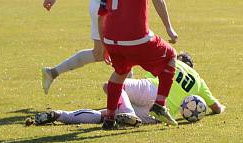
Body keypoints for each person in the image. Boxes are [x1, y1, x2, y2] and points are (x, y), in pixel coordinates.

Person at [99, 0, 180, 129]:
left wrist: (105, 45)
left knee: (120, 73)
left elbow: (101, 15)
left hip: (112, 39)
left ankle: (109, 118)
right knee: (171, 56)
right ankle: (160, 105)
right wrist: (169, 27)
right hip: (136, 38)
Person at [29, 52, 225, 126]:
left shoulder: (171, 61)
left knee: (111, 87)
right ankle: (58, 116)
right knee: (106, 115)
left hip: (150, 90)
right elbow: (216, 107)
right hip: (160, 114)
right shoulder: (199, 81)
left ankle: (60, 114)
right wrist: (219, 109)